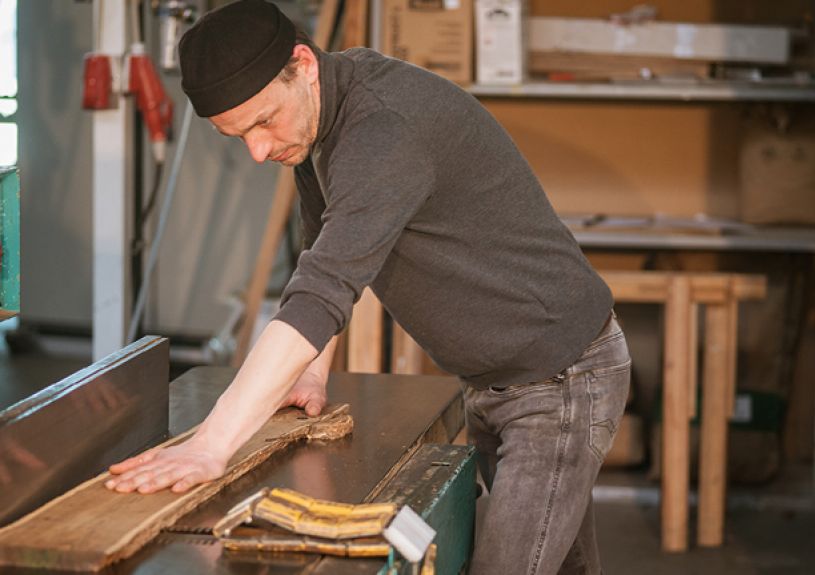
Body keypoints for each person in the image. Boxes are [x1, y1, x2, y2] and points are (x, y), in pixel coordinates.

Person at [105, 1, 631, 572]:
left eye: (263, 122)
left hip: (558, 381)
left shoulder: (382, 130)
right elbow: (323, 254)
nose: (258, 151)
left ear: (302, 64)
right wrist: (309, 369)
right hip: (498, 380)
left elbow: (322, 289)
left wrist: (212, 444)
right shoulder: (319, 121)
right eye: (238, 137)